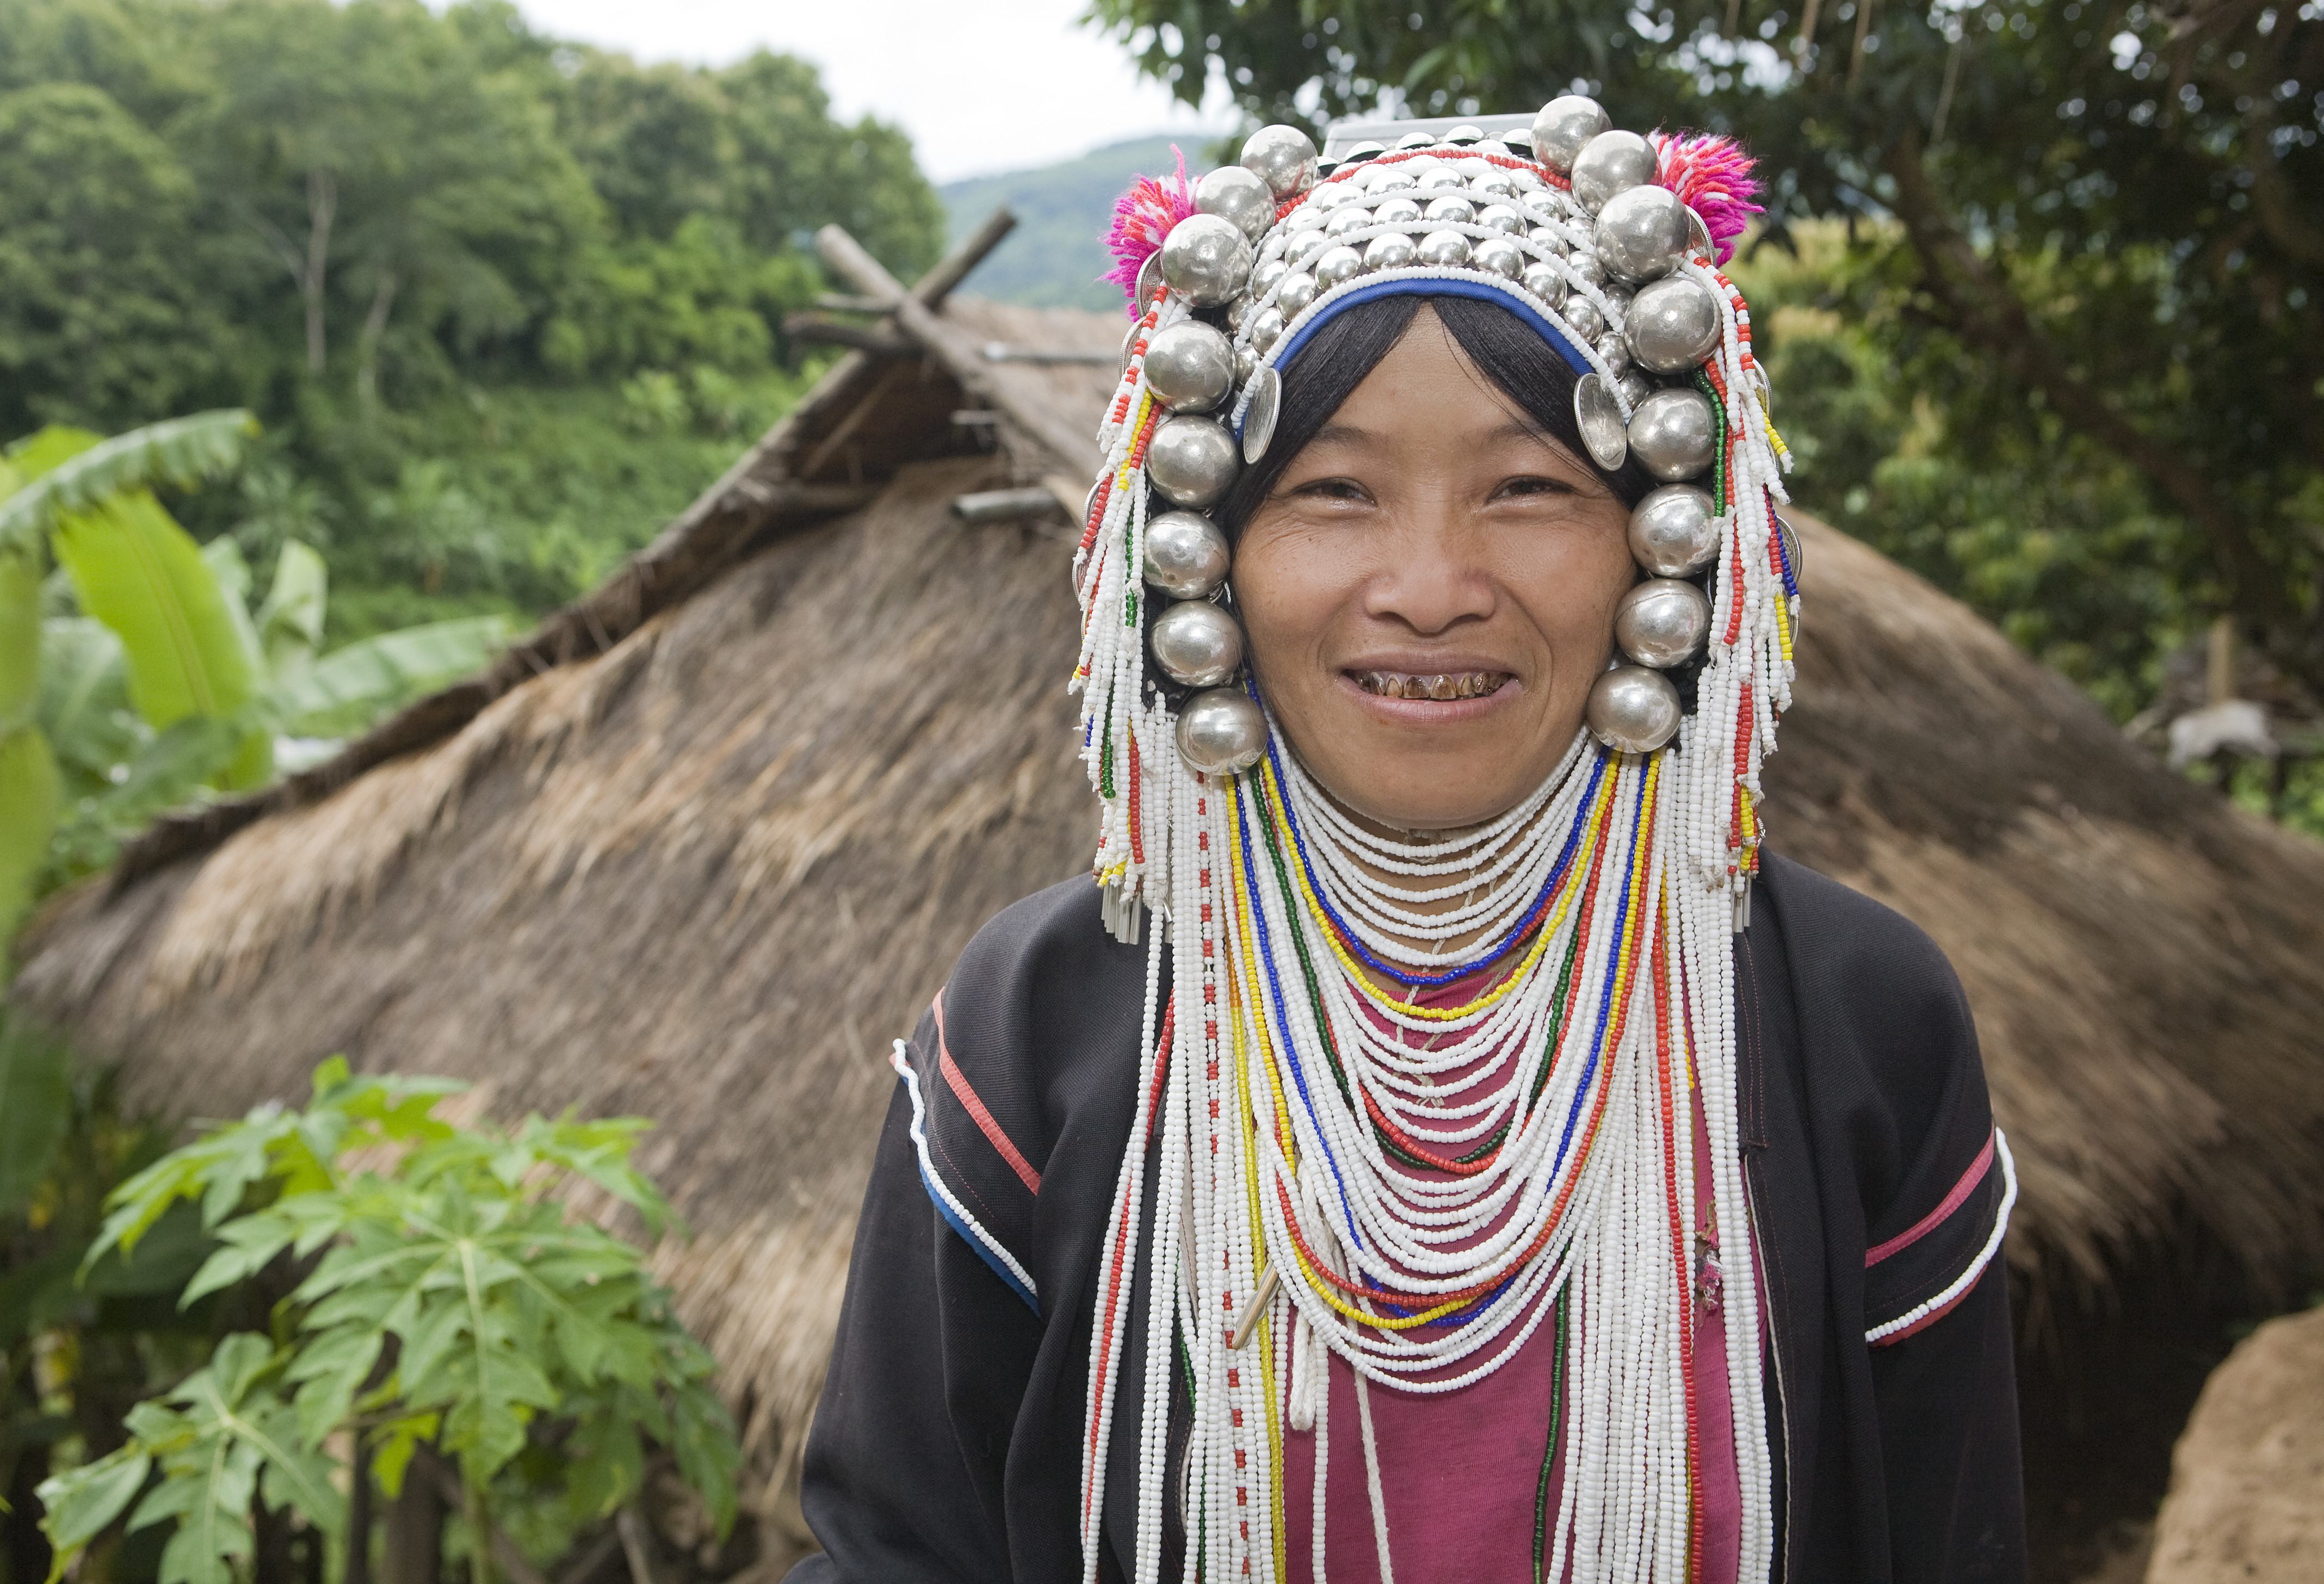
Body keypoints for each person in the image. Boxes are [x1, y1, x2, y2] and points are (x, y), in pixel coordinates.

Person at [784, 101, 2024, 1584]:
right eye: (1332, 492)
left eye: (1528, 489)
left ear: (1665, 544)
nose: (1430, 587)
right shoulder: (1035, 1022)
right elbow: (892, 1553)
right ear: (1210, 557)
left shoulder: (1852, 1020)